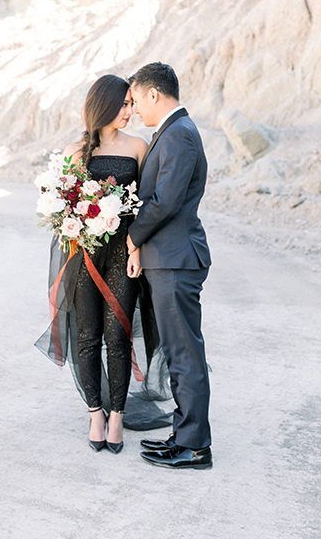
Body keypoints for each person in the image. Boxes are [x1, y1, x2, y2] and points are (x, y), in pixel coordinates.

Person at [35, 74, 173, 454]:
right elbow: (62, 206)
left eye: (133, 104)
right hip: (83, 254)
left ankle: (117, 415)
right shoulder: (75, 151)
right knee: (87, 335)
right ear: (105, 105)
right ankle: (95, 410)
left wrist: (136, 252)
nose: (130, 111)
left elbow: (144, 207)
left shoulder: (138, 147)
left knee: (118, 334)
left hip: (122, 253)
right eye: (124, 104)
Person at [127, 62, 213, 470]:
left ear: (153, 94)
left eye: (136, 100)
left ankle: (195, 446)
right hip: (169, 259)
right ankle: (184, 435)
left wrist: (132, 237)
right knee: (180, 352)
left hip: (176, 260)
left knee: (185, 354)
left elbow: (165, 201)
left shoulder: (179, 134)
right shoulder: (173, 132)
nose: (135, 110)